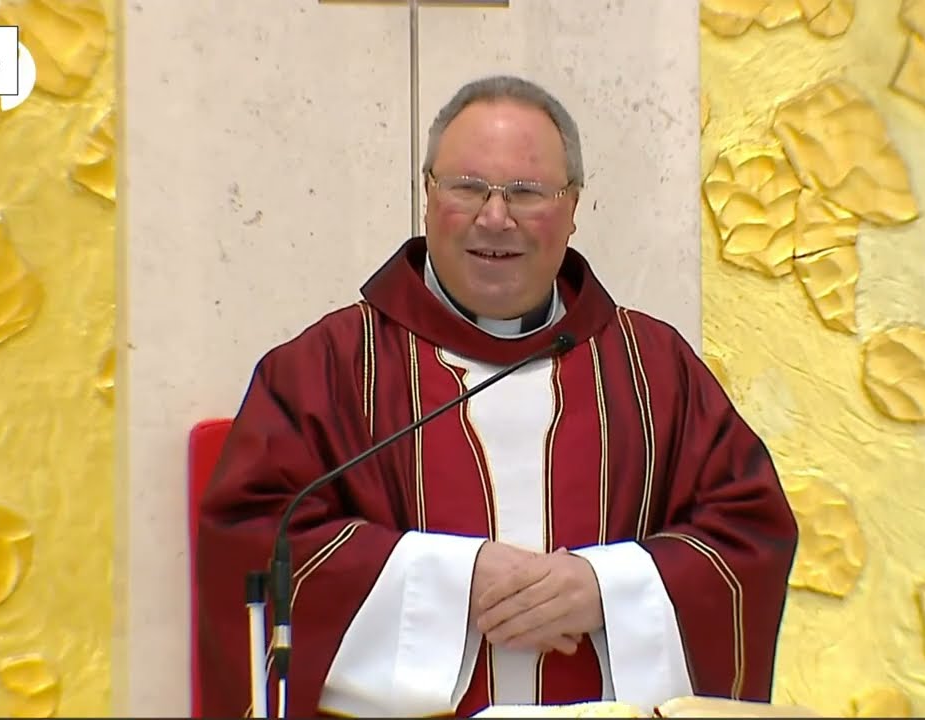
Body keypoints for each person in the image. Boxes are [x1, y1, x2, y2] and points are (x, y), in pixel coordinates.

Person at [196, 75, 799, 719]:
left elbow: (747, 535)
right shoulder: (330, 366)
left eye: (527, 193)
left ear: (573, 207)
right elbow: (255, 540)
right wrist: (455, 583)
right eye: (467, 187)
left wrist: (609, 591)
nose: (494, 217)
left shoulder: (653, 369)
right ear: (426, 196)